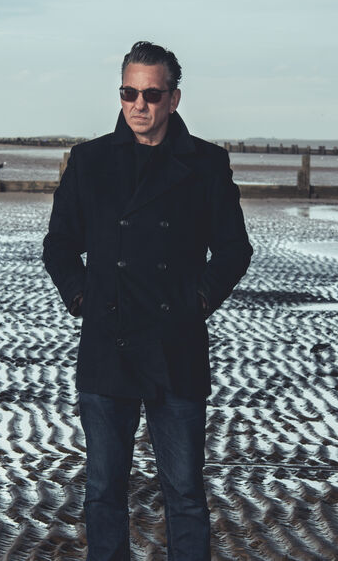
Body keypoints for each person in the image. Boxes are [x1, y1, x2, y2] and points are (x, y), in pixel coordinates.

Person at [43, 41, 252, 560]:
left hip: (175, 345)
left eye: (151, 94)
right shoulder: (90, 161)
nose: (139, 104)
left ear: (174, 98)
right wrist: (82, 296)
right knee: (103, 493)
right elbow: (59, 245)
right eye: (128, 93)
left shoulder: (205, 164)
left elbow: (234, 250)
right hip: (106, 346)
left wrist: (198, 300)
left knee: (184, 493)